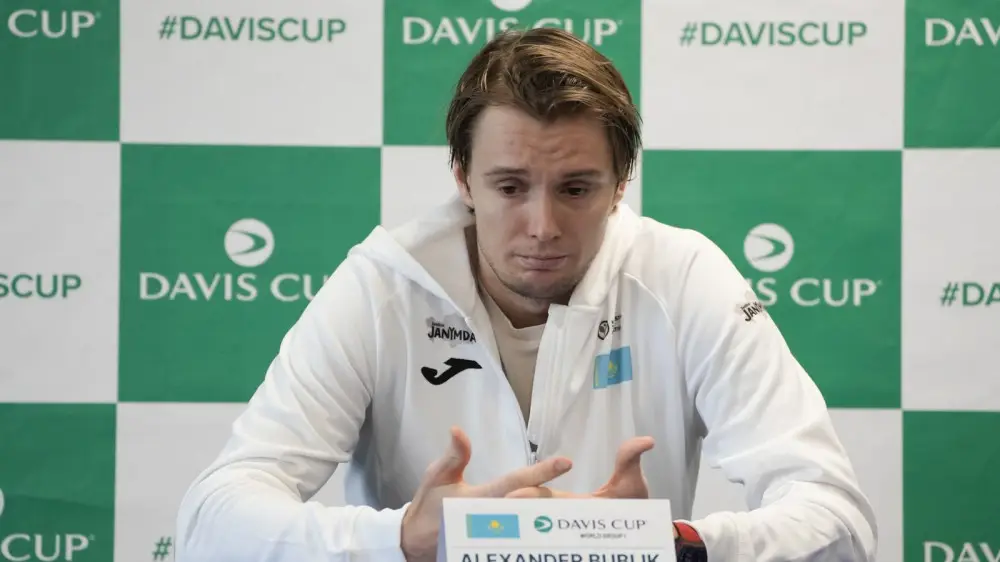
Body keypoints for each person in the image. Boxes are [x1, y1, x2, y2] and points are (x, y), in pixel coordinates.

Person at [175, 27, 877, 562]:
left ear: (621, 184)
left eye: (576, 189)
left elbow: (837, 518)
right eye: (510, 187)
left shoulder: (684, 275)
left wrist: (668, 545)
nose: (542, 226)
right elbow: (210, 522)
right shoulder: (382, 285)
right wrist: (406, 539)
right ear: (462, 178)